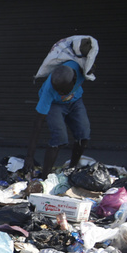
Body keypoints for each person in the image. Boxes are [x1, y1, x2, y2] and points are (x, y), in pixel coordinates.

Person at [24, 37, 93, 176]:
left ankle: (72, 168)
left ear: (74, 81)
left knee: (84, 135)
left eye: (62, 90)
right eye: (58, 90)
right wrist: (29, 157)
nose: (60, 93)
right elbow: (37, 124)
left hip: (75, 101)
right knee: (59, 138)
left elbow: (89, 51)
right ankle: (45, 176)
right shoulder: (49, 91)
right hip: (55, 106)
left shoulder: (79, 69)